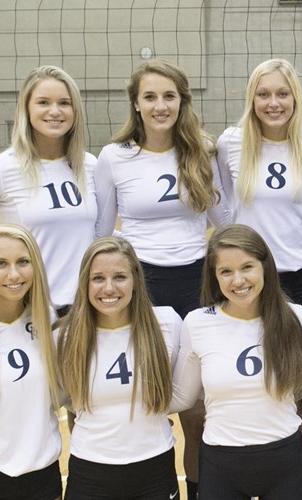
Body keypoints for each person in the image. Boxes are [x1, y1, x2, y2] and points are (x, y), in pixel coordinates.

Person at [94, 59, 231, 498]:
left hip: (195, 283)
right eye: (150, 96)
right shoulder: (114, 158)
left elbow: (223, 220)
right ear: (135, 103)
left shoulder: (201, 151)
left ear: (182, 101)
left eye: (169, 96)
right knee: (140, 399)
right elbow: (100, 231)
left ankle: (197, 488)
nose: (160, 105)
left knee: (196, 410)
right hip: (140, 286)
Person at [170, 224, 302, 500]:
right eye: (226, 271)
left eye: (247, 267)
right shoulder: (197, 322)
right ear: (214, 276)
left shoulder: (296, 318)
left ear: (265, 268)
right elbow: (181, 398)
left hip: (285, 459)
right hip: (221, 464)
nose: (238, 280)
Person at [58, 237, 182, 499]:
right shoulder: (65, 336)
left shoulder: (167, 324)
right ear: (84, 283)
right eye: (98, 278)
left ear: (135, 279)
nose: (109, 288)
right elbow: (65, 397)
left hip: (154, 464)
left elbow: (180, 393)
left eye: (120, 277)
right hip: (90, 468)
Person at [217, 58, 302, 305]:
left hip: (300, 276)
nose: (273, 103)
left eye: (282, 94)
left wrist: (300, 227)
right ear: (252, 99)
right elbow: (226, 206)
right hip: (245, 279)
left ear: (295, 98)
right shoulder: (230, 142)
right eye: (263, 94)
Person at [0, 65, 96, 316]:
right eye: (43, 102)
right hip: (30, 310)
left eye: (64, 103)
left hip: (83, 311)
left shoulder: (90, 166)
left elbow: (100, 233)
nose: (55, 111)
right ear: (26, 109)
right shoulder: (6, 167)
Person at [0, 224, 61, 500]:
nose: (14, 274)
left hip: (42, 475)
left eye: (23, 262)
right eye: (2, 263)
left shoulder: (45, 318)